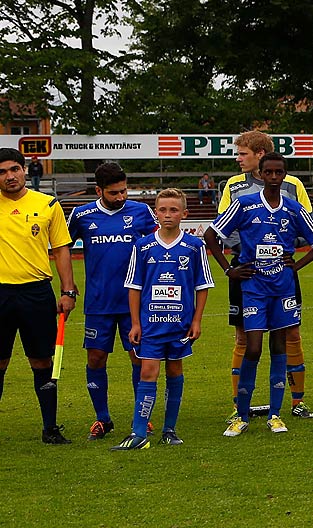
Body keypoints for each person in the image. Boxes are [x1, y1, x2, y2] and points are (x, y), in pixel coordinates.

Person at [205, 153, 313, 436]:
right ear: (261, 174)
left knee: (279, 347)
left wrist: (296, 264)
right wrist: (229, 270)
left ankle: (275, 415)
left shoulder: (293, 207)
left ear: (285, 175)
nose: (274, 177)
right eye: (269, 172)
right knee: (253, 347)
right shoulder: (245, 204)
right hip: (253, 287)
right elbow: (212, 235)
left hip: (282, 287)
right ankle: (241, 415)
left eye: (279, 172)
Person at [220, 131, 313, 418]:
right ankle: (239, 406)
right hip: (246, 271)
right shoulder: (233, 186)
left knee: (291, 334)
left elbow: (306, 225)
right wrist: (247, 253)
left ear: (260, 153)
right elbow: (224, 227)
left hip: (282, 271)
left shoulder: (293, 185)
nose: (238, 159)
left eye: (243, 153)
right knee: (244, 338)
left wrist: (284, 250)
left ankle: (297, 402)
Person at [67, 161, 154, 440]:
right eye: (114, 193)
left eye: (124, 191)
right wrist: (68, 285)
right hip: (98, 302)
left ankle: (141, 417)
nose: (121, 197)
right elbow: (60, 247)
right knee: (96, 357)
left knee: (138, 357)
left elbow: (159, 243)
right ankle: (102, 419)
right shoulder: (81, 215)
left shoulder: (141, 212)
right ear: (99, 190)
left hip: (134, 303)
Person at [118, 188, 210, 449]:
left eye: (173, 210)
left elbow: (202, 286)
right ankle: (139, 433)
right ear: (155, 212)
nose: (167, 215)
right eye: (162, 210)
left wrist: (197, 320)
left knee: (174, 370)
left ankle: (169, 429)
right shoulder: (143, 245)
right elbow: (134, 286)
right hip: (151, 323)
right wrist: (135, 323)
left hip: (180, 324)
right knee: (148, 371)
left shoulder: (194, 246)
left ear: (184, 214)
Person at [0, 147, 78, 443]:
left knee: (42, 362)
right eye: (3, 172)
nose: (10, 176)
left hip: (36, 293)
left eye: (14, 169)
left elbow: (60, 249)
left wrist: (68, 290)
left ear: (25, 170)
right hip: (0, 293)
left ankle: (50, 428)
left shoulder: (47, 204)